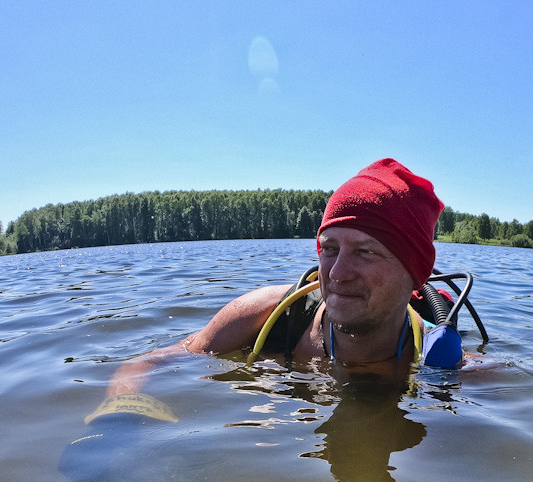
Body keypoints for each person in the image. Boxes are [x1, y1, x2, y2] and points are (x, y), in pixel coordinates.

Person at [104, 158, 451, 399]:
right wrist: (118, 415)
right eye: (329, 249)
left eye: (366, 252)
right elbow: (146, 362)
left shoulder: (441, 358)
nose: (337, 273)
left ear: (413, 272)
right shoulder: (264, 316)